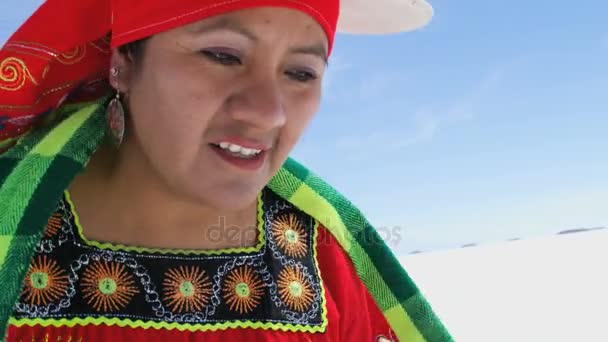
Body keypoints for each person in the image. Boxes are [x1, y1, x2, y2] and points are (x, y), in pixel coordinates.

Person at [0, 0, 452, 341]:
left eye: (300, 73)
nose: (267, 113)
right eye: (222, 56)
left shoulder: (331, 261)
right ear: (123, 64)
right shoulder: (13, 227)